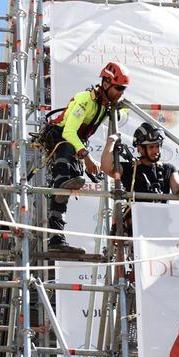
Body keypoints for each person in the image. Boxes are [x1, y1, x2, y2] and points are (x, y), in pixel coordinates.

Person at [43, 61, 129, 254]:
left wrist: (122, 108)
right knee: (63, 177)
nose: (121, 93)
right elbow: (69, 132)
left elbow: (123, 114)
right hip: (60, 138)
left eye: (123, 89)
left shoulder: (106, 106)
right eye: (118, 88)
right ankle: (62, 183)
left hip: (75, 145)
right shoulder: (85, 99)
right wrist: (87, 158)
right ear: (106, 83)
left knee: (63, 194)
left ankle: (56, 238)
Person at [101, 122, 179, 198]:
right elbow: (107, 167)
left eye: (157, 146)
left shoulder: (168, 169)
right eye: (151, 147)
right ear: (140, 148)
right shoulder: (130, 169)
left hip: (161, 214)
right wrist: (111, 141)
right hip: (135, 214)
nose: (156, 151)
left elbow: (177, 188)